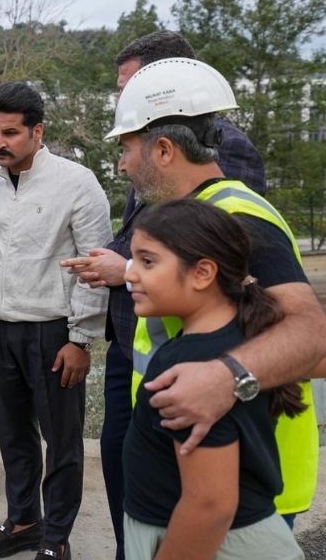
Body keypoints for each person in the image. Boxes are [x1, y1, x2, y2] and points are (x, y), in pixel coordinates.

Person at [59, 30, 269, 560]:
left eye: (130, 85)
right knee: (128, 466)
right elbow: (155, 234)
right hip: (138, 344)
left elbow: (212, 257)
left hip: (192, 358)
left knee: (179, 485)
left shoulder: (224, 156)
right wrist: (114, 258)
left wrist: (126, 268)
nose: (121, 100)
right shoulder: (154, 149)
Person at [103, 57, 323, 531]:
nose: (122, 165)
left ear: (163, 150)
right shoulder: (196, 216)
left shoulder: (236, 220)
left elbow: (314, 339)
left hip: (243, 489)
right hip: (200, 471)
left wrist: (226, 380)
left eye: (125, 149)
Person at [0, 83, 111, 560]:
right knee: (13, 434)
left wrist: (82, 338)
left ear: (37, 131)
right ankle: (24, 520)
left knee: (62, 441)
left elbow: (95, 264)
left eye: (10, 132)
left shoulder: (77, 182)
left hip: (55, 333)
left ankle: (56, 538)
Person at [122, 199, 305, 560]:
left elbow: (210, 506)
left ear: (203, 273)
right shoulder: (245, 339)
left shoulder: (189, 364)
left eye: (148, 261)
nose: (129, 274)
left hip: (205, 542)